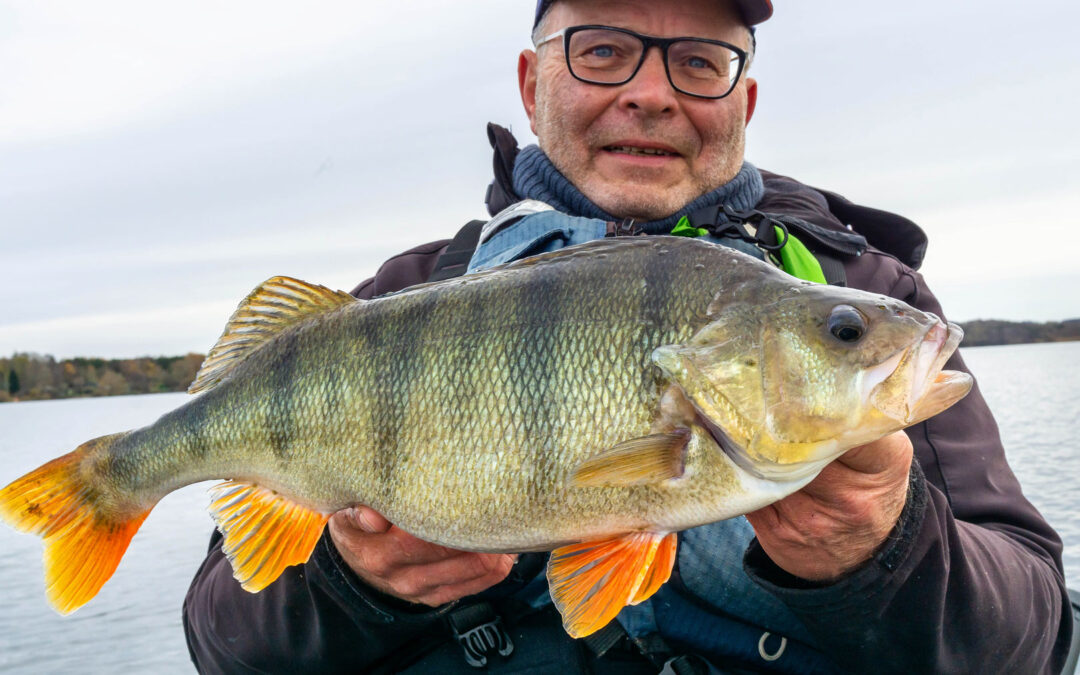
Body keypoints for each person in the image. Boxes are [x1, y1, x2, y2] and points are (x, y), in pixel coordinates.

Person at [183, 1, 1073, 672]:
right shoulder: (403, 304)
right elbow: (227, 642)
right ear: (533, 87)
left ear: (743, 101)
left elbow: (1033, 638)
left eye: (698, 61)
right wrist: (354, 584)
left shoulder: (866, 298)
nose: (650, 95)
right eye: (603, 50)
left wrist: (890, 552)